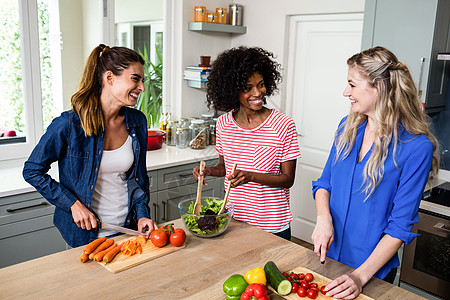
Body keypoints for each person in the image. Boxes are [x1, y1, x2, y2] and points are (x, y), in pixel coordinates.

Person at [311, 46, 439, 299]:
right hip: (328, 255)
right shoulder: (347, 128)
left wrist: (359, 276)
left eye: (352, 85)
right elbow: (324, 183)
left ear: (379, 86)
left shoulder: (415, 147)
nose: (346, 92)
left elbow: (400, 226)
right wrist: (323, 218)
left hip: (370, 272)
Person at [23, 44, 158, 248]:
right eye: (135, 79)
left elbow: (138, 180)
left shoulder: (137, 121)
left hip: (127, 230)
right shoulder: (69, 125)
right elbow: (32, 170)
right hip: (85, 236)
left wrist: (142, 215)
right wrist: (72, 205)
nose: (142, 88)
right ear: (110, 78)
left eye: (142, 80)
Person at [192, 46, 301, 241]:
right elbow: (225, 168)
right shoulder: (224, 123)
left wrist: (250, 176)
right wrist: (208, 171)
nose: (258, 92)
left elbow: (288, 179)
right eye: (247, 88)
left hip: (272, 223)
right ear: (232, 90)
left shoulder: (283, 125)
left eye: (260, 84)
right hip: (234, 220)